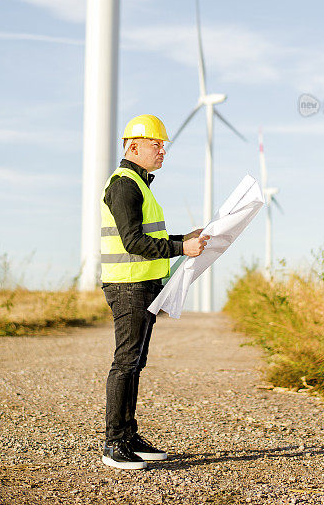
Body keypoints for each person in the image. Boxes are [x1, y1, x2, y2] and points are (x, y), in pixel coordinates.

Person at [100, 114, 209, 470]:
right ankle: (115, 444)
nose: (163, 151)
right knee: (126, 363)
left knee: (135, 363)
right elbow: (134, 242)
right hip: (128, 287)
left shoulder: (140, 185)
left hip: (144, 285)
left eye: (164, 146)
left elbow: (153, 239)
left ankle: (128, 436)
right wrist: (181, 250)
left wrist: (184, 240)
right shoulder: (124, 185)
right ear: (133, 147)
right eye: (155, 144)